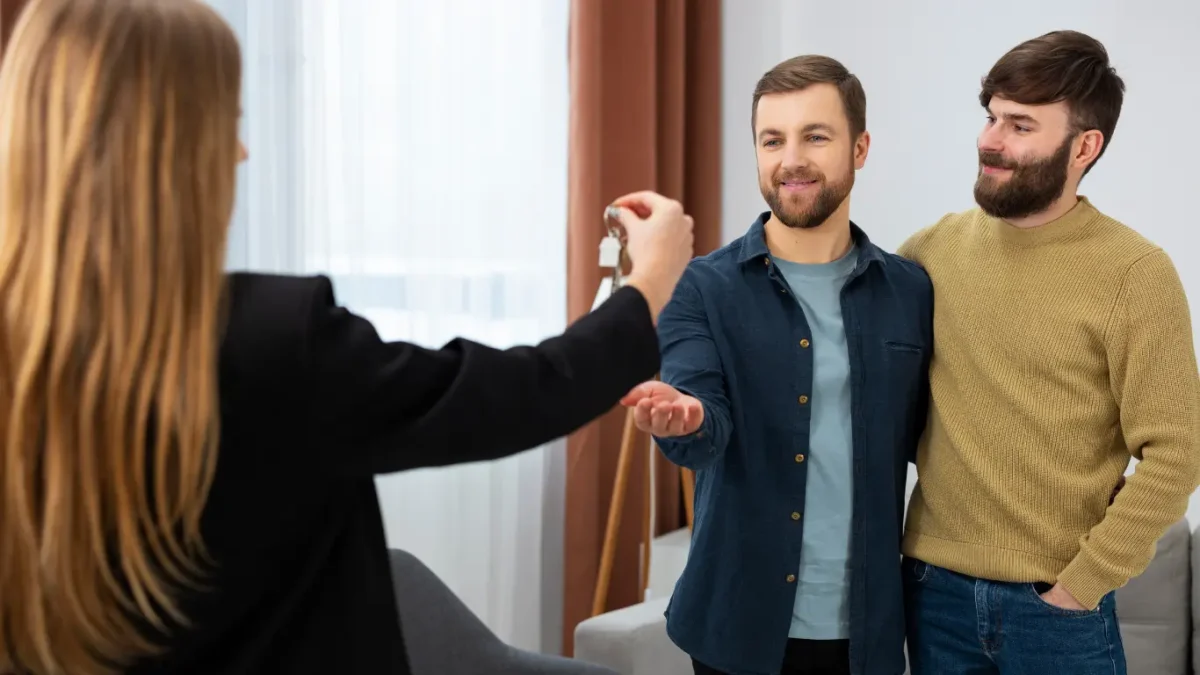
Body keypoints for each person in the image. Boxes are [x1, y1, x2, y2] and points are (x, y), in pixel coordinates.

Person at [0, 1, 697, 674]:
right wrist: (648, 288)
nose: (241, 152)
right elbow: (520, 394)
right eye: (226, 123)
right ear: (162, 147)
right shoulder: (273, 342)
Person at [899, 30, 1200, 675]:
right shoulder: (928, 253)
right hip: (932, 595)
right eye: (991, 117)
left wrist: (1082, 584)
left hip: (1057, 611)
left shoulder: (1135, 273)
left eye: (1020, 125)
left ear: (1084, 147)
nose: (990, 140)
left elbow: (1178, 453)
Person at [621, 55, 932, 675]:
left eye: (815, 136)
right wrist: (684, 418)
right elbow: (702, 426)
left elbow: (935, 440)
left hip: (870, 631)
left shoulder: (910, 291)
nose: (791, 159)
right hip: (736, 625)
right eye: (772, 140)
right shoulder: (700, 288)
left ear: (860, 148)